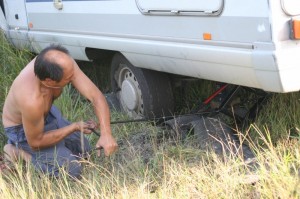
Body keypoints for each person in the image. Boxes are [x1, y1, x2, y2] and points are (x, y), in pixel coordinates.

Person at [1, 44, 118, 178]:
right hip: (24, 131)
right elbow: (36, 142)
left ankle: (57, 148)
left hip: (47, 114)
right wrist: (73, 127)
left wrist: (106, 133)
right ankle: (16, 151)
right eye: (69, 79)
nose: (73, 77)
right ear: (49, 81)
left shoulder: (62, 63)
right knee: (72, 170)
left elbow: (95, 96)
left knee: (85, 151)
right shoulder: (30, 99)